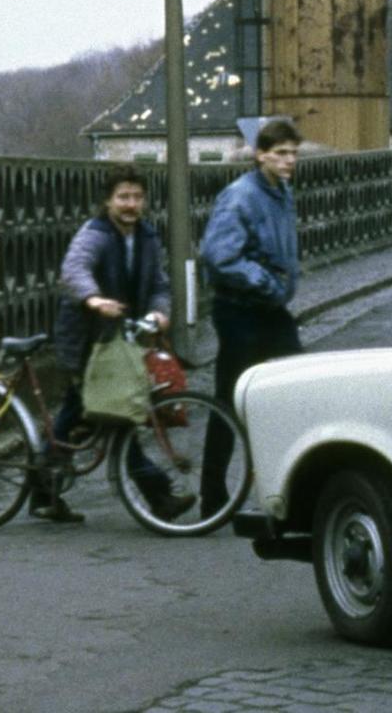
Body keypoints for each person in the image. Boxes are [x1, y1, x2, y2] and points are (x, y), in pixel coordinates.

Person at [35, 167, 193, 523]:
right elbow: (74, 270)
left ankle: (41, 490)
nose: (130, 205)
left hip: (120, 343)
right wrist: (94, 300)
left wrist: (159, 312)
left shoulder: (148, 237)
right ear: (107, 201)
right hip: (89, 342)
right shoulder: (95, 234)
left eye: (137, 197)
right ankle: (159, 497)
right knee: (120, 417)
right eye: (123, 197)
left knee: (75, 414)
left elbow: (159, 284)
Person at [199, 117, 303, 513]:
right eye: (280, 154)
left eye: (293, 153)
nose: (288, 160)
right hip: (239, 308)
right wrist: (264, 280)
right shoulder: (240, 196)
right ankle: (213, 494)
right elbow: (219, 255)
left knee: (292, 385)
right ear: (261, 155)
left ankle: (286, 483)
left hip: (270, 308)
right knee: (230, 398)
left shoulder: (282, 192)